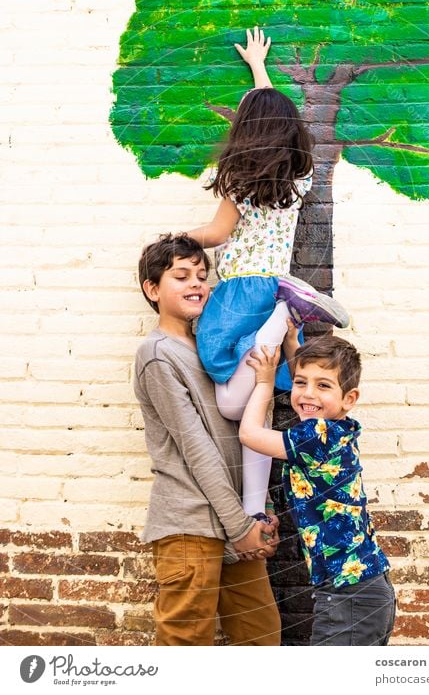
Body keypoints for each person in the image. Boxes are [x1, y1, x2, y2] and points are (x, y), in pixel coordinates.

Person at [187, 26, 349, 524]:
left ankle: (286, 314)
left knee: (234, 403)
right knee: (254, 403)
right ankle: (256, 508)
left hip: (238, 297)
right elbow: (275, 114)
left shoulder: (238, 180)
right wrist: (260, 69)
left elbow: (216, 233)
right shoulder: (299, 179)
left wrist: (174, 241)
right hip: (270, 288)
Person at [134, 232, 282, 646]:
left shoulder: (213, 348)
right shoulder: (158, 353)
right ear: (152, 289)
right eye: (181, 276)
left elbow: (247, 429)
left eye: (202, 275)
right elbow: (197, 448)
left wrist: (259, 510)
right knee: (187, 647)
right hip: (191, 525)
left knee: (262, 639)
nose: (197, 283)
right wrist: (241, 526)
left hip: (237, 520)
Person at [239, 335, 396, 646]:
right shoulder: (338, 429)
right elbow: (315, 389)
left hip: (348, 595)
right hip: (364, 590)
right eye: (300, 382)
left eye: (323, 386)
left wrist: (265, 382)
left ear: (349, 398)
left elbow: (249, 434)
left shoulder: (315, 436)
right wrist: (290, 339)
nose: (308, 394)